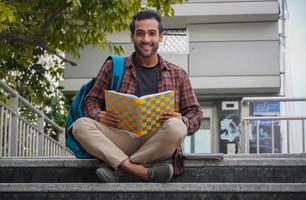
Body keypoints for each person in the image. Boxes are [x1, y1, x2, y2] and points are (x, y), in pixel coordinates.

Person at [72, 10, 203, 183]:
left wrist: (182, 119)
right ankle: (140, 171)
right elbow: (91, 101)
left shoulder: (178, 74)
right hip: (121, 137)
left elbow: (196, 113)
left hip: (158, 141)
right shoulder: (113, 66)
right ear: (132, 36)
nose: (146, 39)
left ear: (161, 37)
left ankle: (121, 168)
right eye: (140, 33)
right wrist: (98, 115)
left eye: (152, 33)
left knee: (177, 127)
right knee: (80, 125)